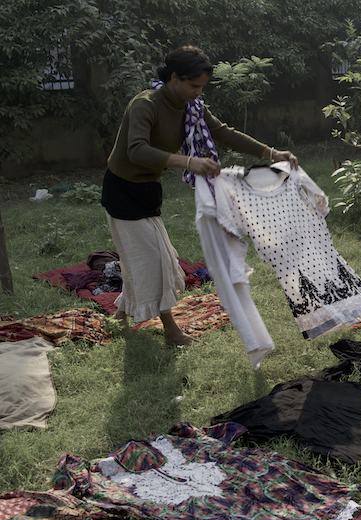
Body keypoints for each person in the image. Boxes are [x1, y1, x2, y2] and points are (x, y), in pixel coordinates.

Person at [101, 45, 298, 346]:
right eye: (194, 85)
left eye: (202, 86)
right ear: (175, 78)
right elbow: (136, 150)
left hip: (147, 189)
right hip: (121, 188)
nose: (198, 91)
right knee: (155, 259)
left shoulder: (191, 107)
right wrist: (189, 162)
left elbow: (224, 133)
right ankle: (171, 331)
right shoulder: (146, 104)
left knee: (141, 254)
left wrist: (271, 152)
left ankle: (121, 314)